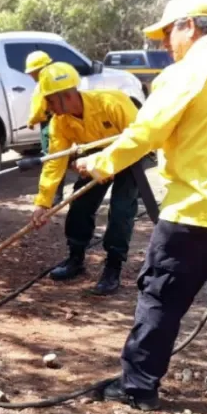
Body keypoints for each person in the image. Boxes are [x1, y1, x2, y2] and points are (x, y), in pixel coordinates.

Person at [75, 0, 207, 411]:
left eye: (166, 34)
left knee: (160, 299)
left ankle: (137, 387)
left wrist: (100, 164)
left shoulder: (189, 71)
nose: (164, 45)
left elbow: (145, 134)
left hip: (194, 213)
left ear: (188, 26)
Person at [30, 61, 141, 295]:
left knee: (121, 210)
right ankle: (75, 258)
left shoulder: (113, 102)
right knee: (80, 205)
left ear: (67, 95)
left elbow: (139, 139)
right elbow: (54, 162)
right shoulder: (59, 122)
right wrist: (43, 203)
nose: (47, 106)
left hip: (131, 154)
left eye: (50, 100)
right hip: (94, 155)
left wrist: (107, 165)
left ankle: (113, 267)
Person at [24, 50, 65, 206]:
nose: (30, 75)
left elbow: (39, 108)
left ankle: (54, 196)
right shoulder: (59, 79)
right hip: (60, 121)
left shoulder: (44, 84)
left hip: (50, 125)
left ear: (39, 69)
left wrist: (31, 121)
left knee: (52, 159)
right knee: (59, 157)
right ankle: (57, 194)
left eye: (31, 72)